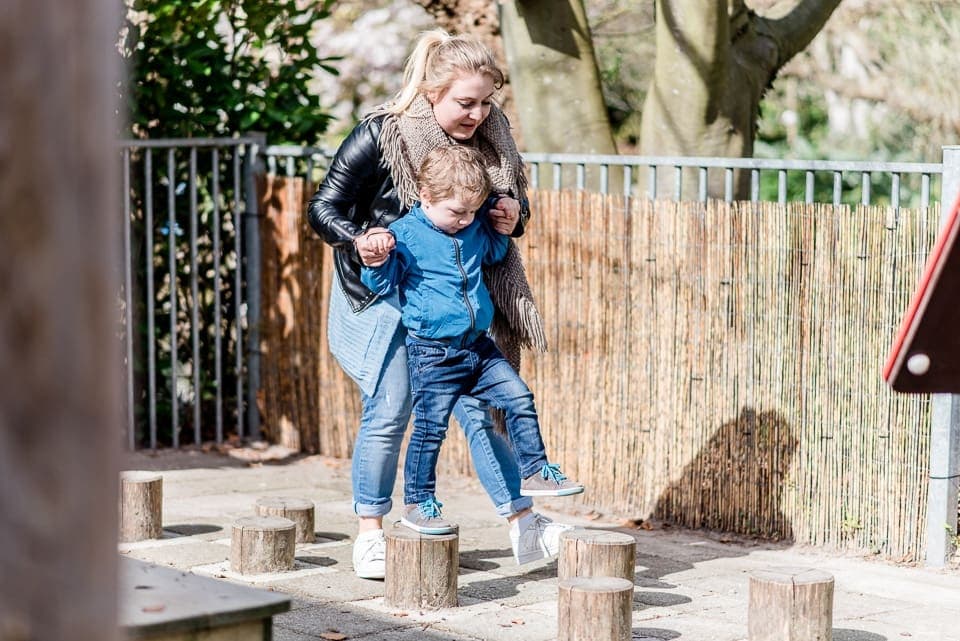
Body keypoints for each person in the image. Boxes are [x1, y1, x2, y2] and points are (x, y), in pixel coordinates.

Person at [306, 29, 573, 577]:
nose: (477, 114)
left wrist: (513, 215)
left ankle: (524, 525)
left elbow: (507, 206)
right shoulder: (382, 135)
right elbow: (324, 207)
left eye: (485, 102)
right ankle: (371, 531)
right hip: (388, 291)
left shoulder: (493, 138)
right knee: (393, 407)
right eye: (464, 102)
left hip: (458, 297)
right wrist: (363, 240)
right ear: (432, 93)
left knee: (482, 409)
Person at [360, 145, 584, 535]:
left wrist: (503, 223)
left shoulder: (474, 227)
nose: (465, 220)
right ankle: (419, 503)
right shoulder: (404, 236)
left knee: (519, 398)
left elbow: (495, 251)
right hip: (433, 353)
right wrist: (375, 261)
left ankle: (535, 471)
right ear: (425, 196)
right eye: (456, 212)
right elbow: (382, 284)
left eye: (471, 212)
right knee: (430, 430)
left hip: (479, 346)